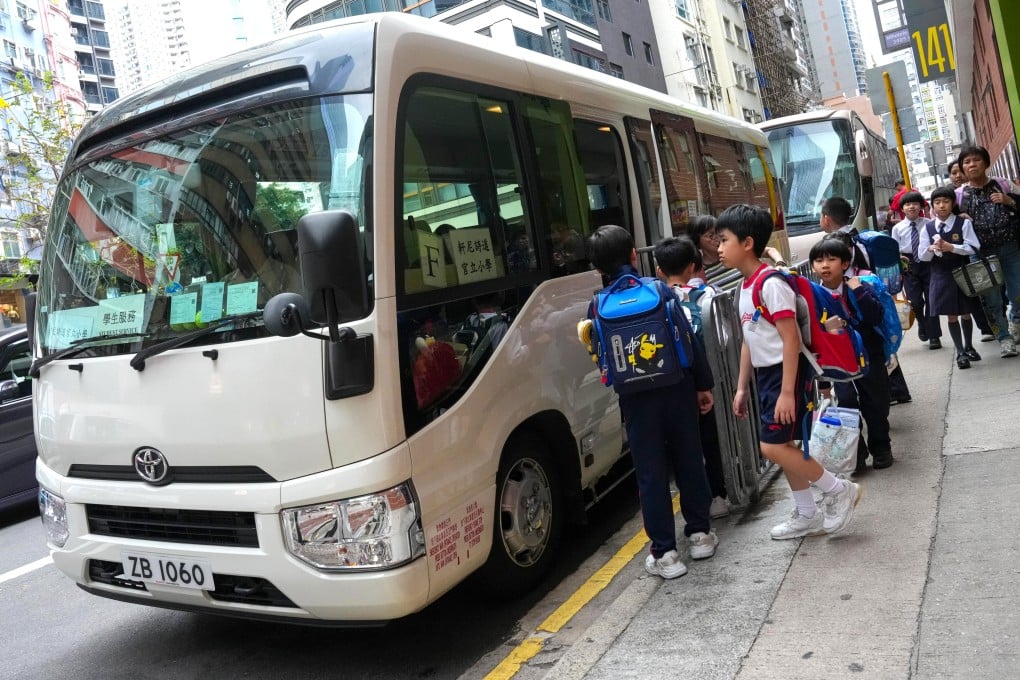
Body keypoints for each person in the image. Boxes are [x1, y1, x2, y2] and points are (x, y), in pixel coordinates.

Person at [582, 225, 718, 578]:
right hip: (678, 389)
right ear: (633, 255)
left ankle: (666, 553)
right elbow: (688, 340)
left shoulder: (596, 306)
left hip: (636, 401)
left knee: (650, 474)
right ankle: (701, 535)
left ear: (597, 268)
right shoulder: (660, 290)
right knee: (690, 458)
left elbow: (600, 356)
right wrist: (703, 385)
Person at [719, 204, 862, 539]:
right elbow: (748, 340)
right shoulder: (745, 286)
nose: (719, 248)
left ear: (748, 243)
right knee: (784, 445)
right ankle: (806, 512)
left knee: (771, 447)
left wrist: (786, 392)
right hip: (766, 375)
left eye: (724, 240)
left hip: (785, 373)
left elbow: (790, 338)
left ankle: (838, 489)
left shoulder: (770, 284)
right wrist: (741, 387)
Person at [653, 236, 730, 519]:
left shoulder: (656, 302)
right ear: (692, 267)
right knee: (711, 438)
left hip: (671, 386)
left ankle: (691, 500)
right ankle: (717, 495)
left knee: (682, 446)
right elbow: (724, 339)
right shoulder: (708, 297)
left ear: (659, 270)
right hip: (707, 382)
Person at [811, 237, 894, 471]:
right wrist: (823, 382)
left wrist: (858, 291)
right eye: (819, 260)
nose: (825, 265)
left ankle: (881, 448)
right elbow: (814, 338)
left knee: (875, 403)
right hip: (838, 362)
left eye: (831, 259)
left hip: (869, 354)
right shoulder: (814, 296)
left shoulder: (860, 287)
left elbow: (875, 317)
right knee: (847, 405)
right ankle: (856, 454)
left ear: (845, 263)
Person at [822, 196, 913, 403]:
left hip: (859, 300)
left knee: (874, 348)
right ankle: (897, 390)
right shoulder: (860, 238)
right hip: (868, 298)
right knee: (880, 347)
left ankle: (890, 392)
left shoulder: (845, 242)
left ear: (827, 219)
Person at [958, 145, 1020, 356]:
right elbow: (943, 220)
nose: (972, 165)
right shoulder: (959, 195)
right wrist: (959, 220)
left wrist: (1009, 200)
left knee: (1018, 291)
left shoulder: (1003, 184)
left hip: (1010, 248)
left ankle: (1016, 321)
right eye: (966, 162)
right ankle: (1004, 338)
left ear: (985, 162)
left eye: (976, 160)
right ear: (962, 168)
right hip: (980, 254)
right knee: (992, 299)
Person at [919, 186, 983, 369]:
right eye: (937, 202)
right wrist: (931, 249)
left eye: (945, 202)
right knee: (951, 314)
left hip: (962, 271)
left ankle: (969, 345)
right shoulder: (929, 228)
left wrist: (952, 247)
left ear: (953, 203)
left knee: (966, 311)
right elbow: (921, 256)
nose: (941, 206)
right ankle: (960, 352)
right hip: (941, 275)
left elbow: (973, 247)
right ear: (932, 206)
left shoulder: (963, 224)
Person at [891, 191, 943, 350]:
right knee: (916, 301)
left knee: (932, 300)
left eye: (915, 203)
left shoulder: (929, 223)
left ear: (921, 206)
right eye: (907, 204)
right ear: (902, 209)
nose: (911, 207)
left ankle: (934, 336)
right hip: (909, 266)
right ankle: (922, 322)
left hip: (928, 263)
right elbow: (894, 250)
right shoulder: (897, 228)